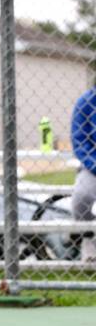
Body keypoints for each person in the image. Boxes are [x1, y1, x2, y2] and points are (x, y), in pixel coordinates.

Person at [70, 86, 96, 263]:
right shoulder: (86, 102)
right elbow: (79, 140)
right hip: (93, 165)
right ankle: (89, 238)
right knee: (82, 197)